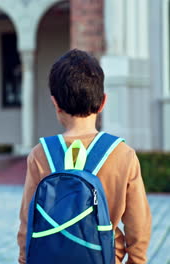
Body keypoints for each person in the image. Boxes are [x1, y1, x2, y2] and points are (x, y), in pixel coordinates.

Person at [17, 49, 151, 264]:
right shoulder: (122, 154)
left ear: (55, 104)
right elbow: (139, 224)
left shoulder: (40, 154)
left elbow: (27, 220)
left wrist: (24, 259)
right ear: (103, 102)